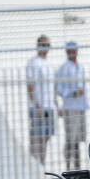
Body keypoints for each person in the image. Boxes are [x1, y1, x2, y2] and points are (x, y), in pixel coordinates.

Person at [56, 41, 88, 168]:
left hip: (81, 107)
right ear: (67, 52)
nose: (73, 53)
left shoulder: (80, 67)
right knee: (70, 138)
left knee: (78, 139)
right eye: (70, 50)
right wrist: (72, 93)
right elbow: (58, 88)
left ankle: (78, 166)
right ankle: (68, 165)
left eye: (74, 50)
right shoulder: (64, 68)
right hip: (70, 107)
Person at [26, 34, 56, 164]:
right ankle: (33, 161)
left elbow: (52, 86)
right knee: (37, 135)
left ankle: (41, 162)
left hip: (49, 106)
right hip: (38, 107)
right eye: (43, 45)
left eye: (47, 45)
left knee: (46, 135)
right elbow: (30, 86)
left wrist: (56, 104)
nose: (45, 48)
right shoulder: (34, 62)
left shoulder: (49, 63)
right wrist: (36, 105)